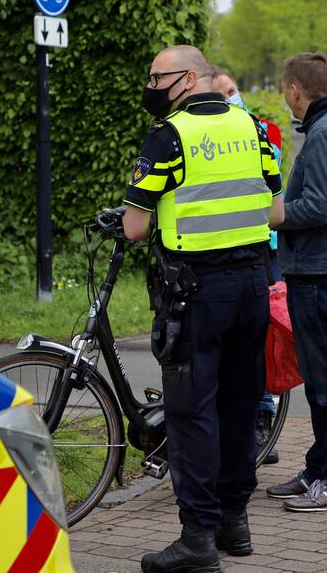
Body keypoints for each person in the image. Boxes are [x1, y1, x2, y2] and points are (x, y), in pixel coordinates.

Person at [122, 45, 285, 572]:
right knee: (239, 406)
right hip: (252, 286)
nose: (151, 85)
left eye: (157, 77)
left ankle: (197, 539)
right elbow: (276, 213)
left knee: (192, 414)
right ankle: (234, 523)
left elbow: (134, 227)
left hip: (196, 292)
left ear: (189, 78)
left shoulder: (169, 135)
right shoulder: (253, 128)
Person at [266, 52, 327, 512]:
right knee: (322, 381)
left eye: (284, 88)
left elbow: (321, 206)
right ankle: (319, 469)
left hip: (322, 273)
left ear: (294, 90)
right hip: (320, 270)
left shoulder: (326, 133)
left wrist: (275, 214)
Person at [210, 65, 282, 466]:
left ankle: (263, 418)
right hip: (224, 248)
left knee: (260, 338)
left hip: (262, 248)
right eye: (221, 94)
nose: (229, 98)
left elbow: (272, 178)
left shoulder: (263, 131)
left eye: (232, 90)